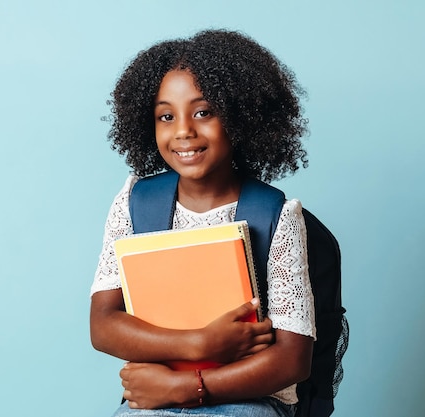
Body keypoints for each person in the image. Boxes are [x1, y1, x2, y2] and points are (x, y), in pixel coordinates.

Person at [90, 29, 315, 417]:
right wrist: (199, 345)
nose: (183, 131)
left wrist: (188, 387)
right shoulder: (134, 204)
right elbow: (104, 325)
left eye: (203, 112)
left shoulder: (275, 214)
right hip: (157, 395)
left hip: (249, 399)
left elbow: (293, 360)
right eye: (166, 116)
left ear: (241, 115)